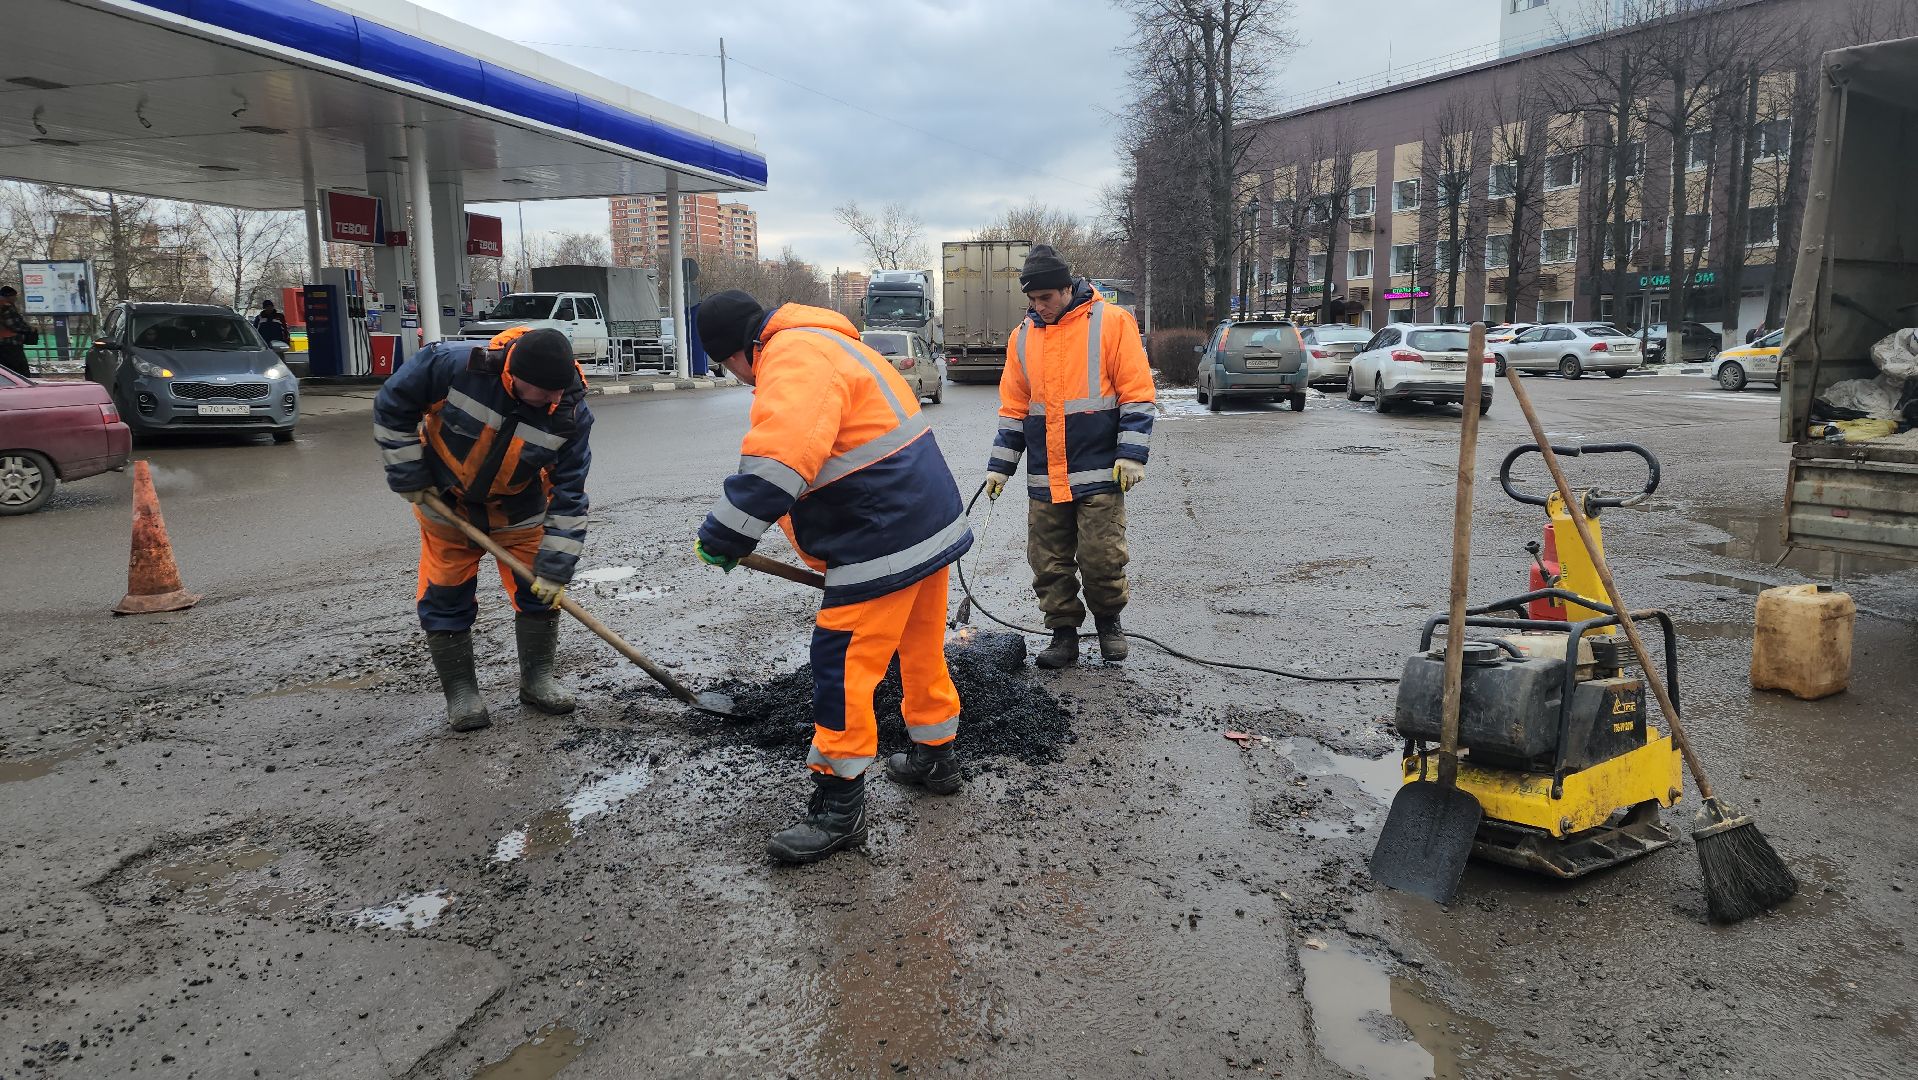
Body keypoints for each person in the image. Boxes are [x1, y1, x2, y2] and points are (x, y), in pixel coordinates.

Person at [694, 289, 972, 864]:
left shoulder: (791, 356)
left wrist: (725, 534)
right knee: (920, 648)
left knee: (841, 666)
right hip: (927, 521)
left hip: (881, 533)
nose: (743, 380)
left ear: (743, 349)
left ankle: (839, 808)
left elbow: (778, 463)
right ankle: (936, 755)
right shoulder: (833, 342)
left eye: (731, 367)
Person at [372, 326, 593, 733]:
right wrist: (407, 470)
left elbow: (571, 491)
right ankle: (462, 694)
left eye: (561, 390)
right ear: (516, 377)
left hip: (519, 515)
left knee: (539, 592)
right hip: (447, 504)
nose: (556, 399)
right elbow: (393, 405)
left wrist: (557, 566)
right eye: (546, 392)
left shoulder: (571, 411)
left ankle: (537, 680)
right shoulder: (452, 367)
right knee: (446, 595)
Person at [984, 245, 1157, 670]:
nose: (1038, 307)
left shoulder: (1113, 323)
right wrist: (1000, 467)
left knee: (1102, 557)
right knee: (1048, 562)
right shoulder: (1022, 337)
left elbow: (1136, 392)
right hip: (1046, 474)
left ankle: (1108, 624)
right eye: (1032, 300)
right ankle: (1063, 634)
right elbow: (1015, 409)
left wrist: (1132, 454)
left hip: (1100, 469)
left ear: (1067, 287)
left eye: (1046, 298)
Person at [0, 286, 35, 378]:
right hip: (11, 344)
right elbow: (14, 325)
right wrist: (29, 329)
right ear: (9, 296)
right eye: (14, 296)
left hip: (3, 343)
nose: (15, 298)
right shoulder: (6, 307)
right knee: (20, 371)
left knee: (6, 371)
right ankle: (22, 388)